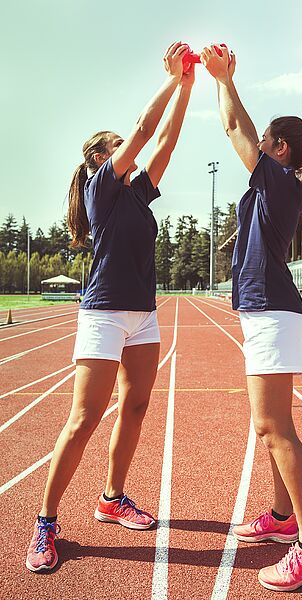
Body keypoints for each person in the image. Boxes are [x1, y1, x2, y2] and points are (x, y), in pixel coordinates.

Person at [26, 42, 195, 573]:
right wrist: (170, 78)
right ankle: (47, 522)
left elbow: (163, 140)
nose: (132, 151)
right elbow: (145, 129)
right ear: (100, 158)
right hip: (102, 313)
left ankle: (111, 497)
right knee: (83, 419)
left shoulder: (139, 194)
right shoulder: (102, 187)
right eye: (118, 147)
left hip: (142, 314)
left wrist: (188, 87)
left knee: (137, 407)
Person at [201, 45, 302, 592]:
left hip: (273, 312)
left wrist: (225, 78)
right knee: (274, 426)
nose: (254, 147)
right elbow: (236, 127)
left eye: (264, 142)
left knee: (272, 427)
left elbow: (236, 128)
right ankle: (283, 518)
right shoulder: (274, 182)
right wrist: (220, 83)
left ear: (279, 148)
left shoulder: (279, 181)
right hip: (266, 309)